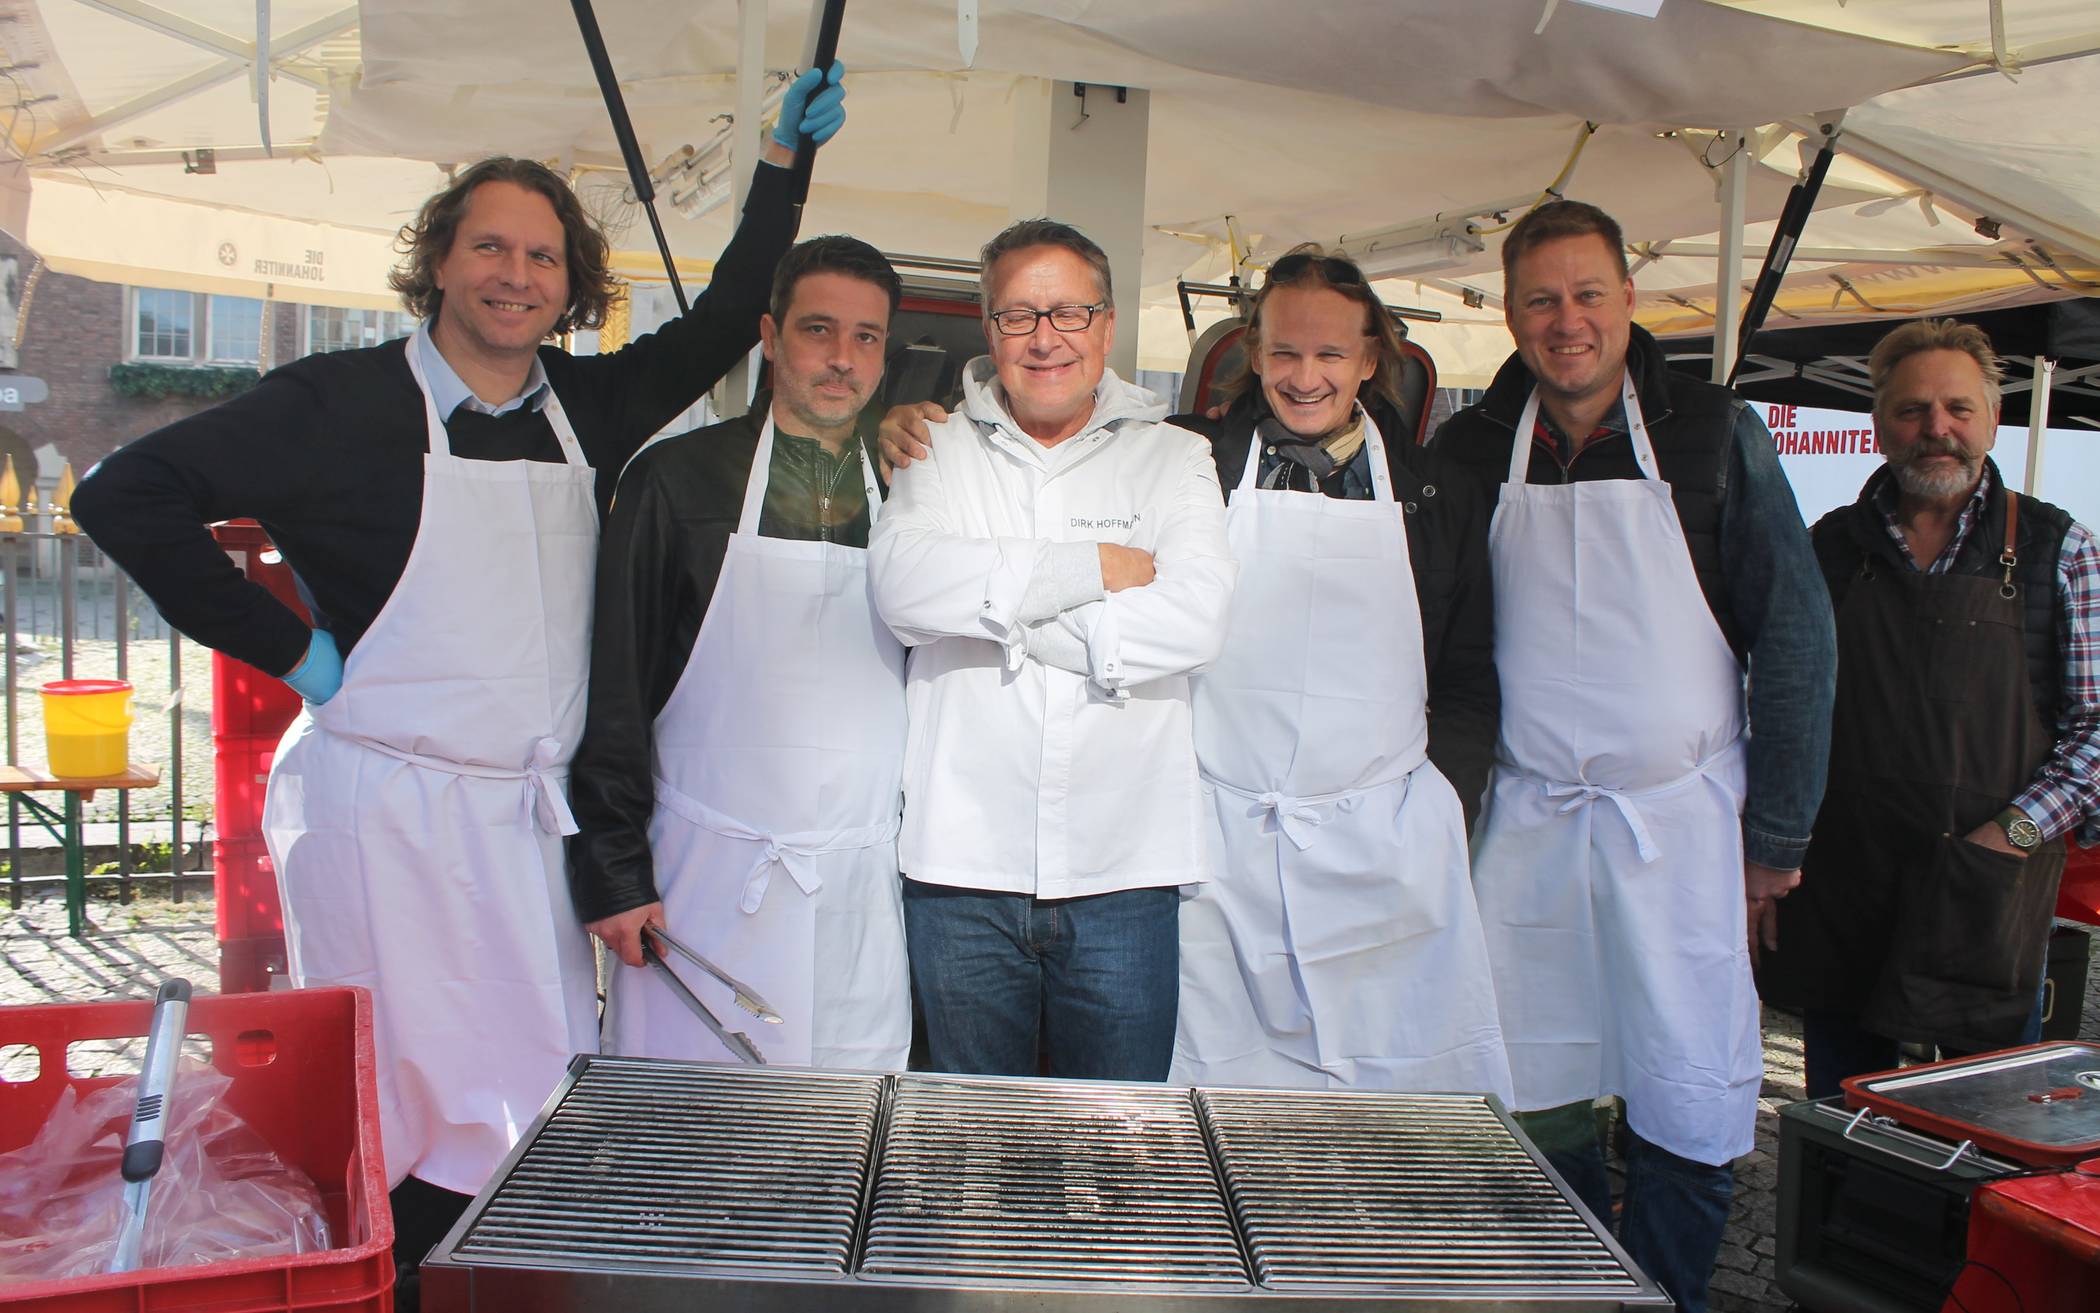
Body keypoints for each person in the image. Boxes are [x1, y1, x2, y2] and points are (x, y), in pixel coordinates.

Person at [71, 66, 848, 1305]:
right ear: (439, 259)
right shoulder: (335, 403)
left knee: (538, 1097)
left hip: (521, 825)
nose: (518, 274)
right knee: (390, 1103)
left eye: (544, 257)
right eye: (491, 245)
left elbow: (726, 315)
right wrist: (292, 652)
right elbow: (122, 496)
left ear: (569, 283)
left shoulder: (587, 407)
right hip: (384, 816)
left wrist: (777, 168)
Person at [1429, 199, 1835, 1313]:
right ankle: (1564, 1278)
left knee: (1685, 1082)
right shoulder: (1470, 449)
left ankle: (1666, 1291)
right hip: (1526, 820)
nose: (1568, 321)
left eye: (1587, 293)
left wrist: (1777, 840)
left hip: (1684, 819)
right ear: (1510, 313)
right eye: (1542, 299)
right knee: (1530, 1072)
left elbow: (1797, 638)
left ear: (1629, 300)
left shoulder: (1713, 435)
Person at [867, 218, 1236, 1082]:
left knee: (1119, 1148)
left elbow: (1197, 620)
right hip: (960, 867)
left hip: (1126, 870)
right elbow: (904, 592)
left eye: (1070, 313)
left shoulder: (1175, 458)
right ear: (987, 328)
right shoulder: (934, 446)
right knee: (971, 1147)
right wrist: (1094, 570)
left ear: (1107, 327)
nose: (1046, 339)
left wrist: (1004, 611)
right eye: (1019, 316)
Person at [1158, 245, 1510, 1095]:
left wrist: (1441, 807)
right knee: (1217, 1108)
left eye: (1328, 355)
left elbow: (1468, 671)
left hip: (1385, 856)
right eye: (1283, 352)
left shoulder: (1436, 492)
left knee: (1387, 1116)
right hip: (1218, 855)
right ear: (1252, 349)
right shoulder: (1184, 462)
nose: (1304, 376)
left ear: (1368, 358)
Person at [567, 235, 909, 1072]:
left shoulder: (913, 493)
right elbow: (615, 691)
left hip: (863, 888)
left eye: (866, 337)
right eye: (818, 330)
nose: (842, 359)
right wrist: (615, 873)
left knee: (843, 1135)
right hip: (705, 882)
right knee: (695, 1140)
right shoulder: (676, 483)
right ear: (769, 332)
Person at [1760, 319, 2099, 1097]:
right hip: (1844, 887)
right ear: (1879, 424)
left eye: (1957, 408)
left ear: (1990, 417)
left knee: (1981, 1131)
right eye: (1912, 411)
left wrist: (2008, 835)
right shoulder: (1830, 549)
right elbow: (1775, 706)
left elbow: (2096, 730)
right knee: (1846, 1132)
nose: (1935, 429)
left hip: (1987, 892)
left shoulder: (2059, 549)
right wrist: (1770, 855)